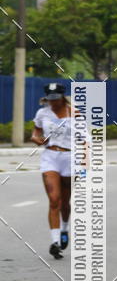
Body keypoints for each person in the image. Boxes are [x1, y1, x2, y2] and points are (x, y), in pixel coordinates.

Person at [31, 82, 73, 259]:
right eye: (50, 99)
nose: (53, 102)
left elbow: (85, 139)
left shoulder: (74, 113)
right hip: (50, 157)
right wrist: (36, 139)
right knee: (54, 199)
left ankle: (64, 228)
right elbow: (35, 133)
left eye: (56, 99)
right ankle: (55, 242)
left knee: (65, 203)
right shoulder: (42, 113)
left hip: (70, 158)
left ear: (62, 97)